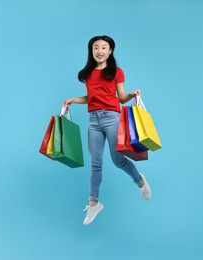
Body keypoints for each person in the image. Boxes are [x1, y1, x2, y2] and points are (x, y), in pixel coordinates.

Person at [63, 35, 152, 225]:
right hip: (93, 120)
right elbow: (92, 96)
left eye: (104, 48)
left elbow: (120, 98)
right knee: (95, 163)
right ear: (91, 51)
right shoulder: (87, 73)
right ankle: (93, 202)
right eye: (96, 48)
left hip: (112, 118)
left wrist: (132, 94)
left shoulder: (117, 72)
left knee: (117, 160)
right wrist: (74, 100)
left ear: (110, 50)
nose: (100, 51)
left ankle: (139, 181)